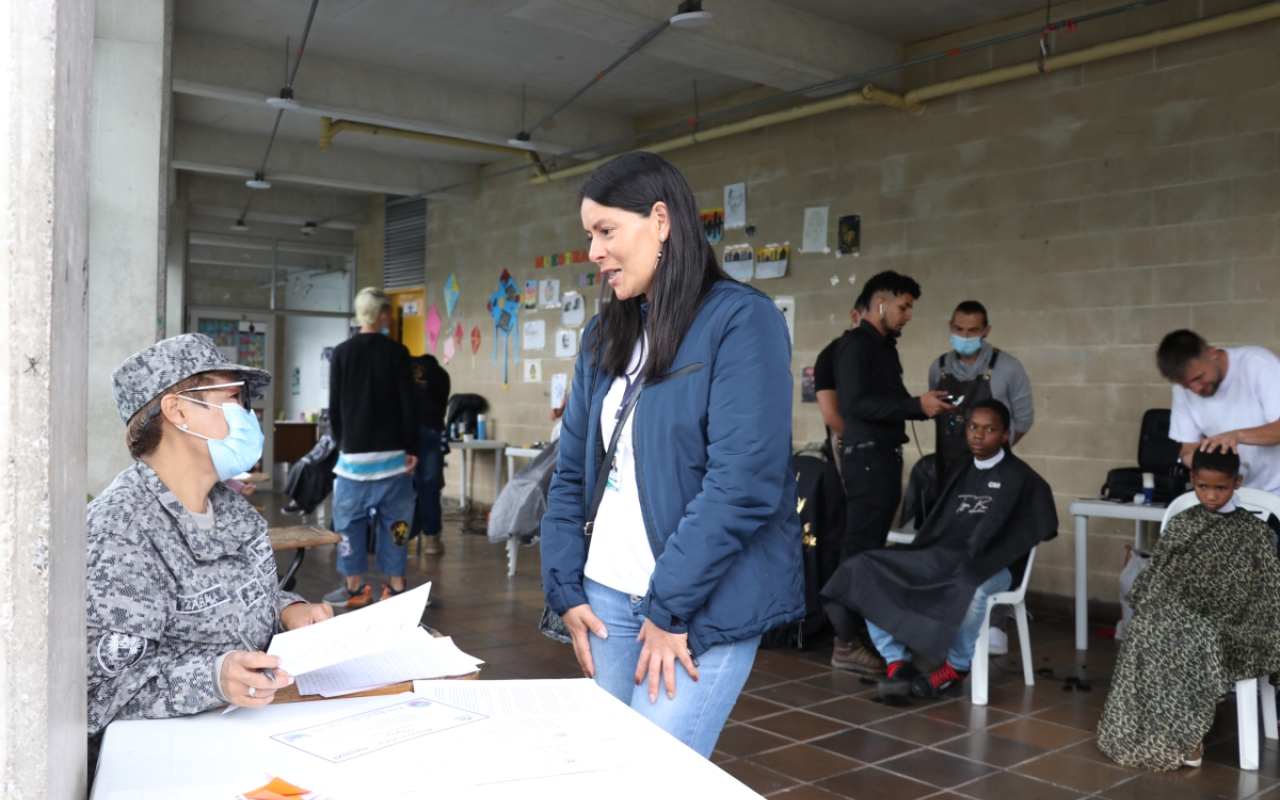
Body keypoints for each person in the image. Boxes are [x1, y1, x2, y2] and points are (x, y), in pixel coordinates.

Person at [541, 151, 803, 758]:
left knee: (652, 780)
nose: (594, 252)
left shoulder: (741, 320)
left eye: (607, 231)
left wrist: (669, 608)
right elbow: (572, 468)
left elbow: (743, 481)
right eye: (589, 236)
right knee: (610, 773)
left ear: (661, 220)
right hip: (605, 599)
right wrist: (565, 588)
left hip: (697, 608)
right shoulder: (605, 334)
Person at [87, 334, 333, 743]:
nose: (247, 416)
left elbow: (235, 600)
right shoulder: (120, 533)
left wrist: (289, 610)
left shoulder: (234, 511)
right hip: (169, 757)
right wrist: (214, 679)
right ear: (177, 409)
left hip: (253, 729)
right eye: (234, 399)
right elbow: (101, 693)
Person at [822, 399, 1058, 703]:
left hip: (996, 566)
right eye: (973, 427)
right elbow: (941, 525)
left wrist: (977, 552)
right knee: (864, 568)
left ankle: (956, 666)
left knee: (970, 586)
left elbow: (1039, 526)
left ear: (1005, 435)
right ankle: (896, 659)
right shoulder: (960, 468)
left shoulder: (1024, 480)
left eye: (989, 429)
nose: (978, 435)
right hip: (944, 556)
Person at [1098, 449, 1280, 771]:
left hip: (1233, 619)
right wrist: (1170, 605)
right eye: (1202, 487)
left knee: (1193, 635)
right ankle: (1147, 731)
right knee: (1147, 626)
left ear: (1237, 482)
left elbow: (1263, 589)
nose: (1211, 496)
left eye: (1221, 488)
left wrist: (1215, 608)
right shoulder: (1183, 522)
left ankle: (1186, 737)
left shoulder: (1253, 531)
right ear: (1192, 481)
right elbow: (1159, 577)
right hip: (1180, 609)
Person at [827, 270, 954, 675]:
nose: (908, 316)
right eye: (904, 307)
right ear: (879, 304)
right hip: (865, 460)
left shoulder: (886, 350)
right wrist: (914, 403)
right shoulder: (852, 347)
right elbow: (857, 406)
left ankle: (863, 636)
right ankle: (843, 643)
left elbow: (897, 402)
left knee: (873, 552)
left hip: (884, 459)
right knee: (858, 551)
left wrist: (926, 404)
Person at [928, 300, 1035, 655]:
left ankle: (995, 626)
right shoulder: (938, 368)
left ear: (986, 330)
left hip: (994, 476)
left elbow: (1024, 417)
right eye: (958, 330)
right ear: (950, 326)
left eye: (973, 331)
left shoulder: (1008, 368)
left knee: (992, 546)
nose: (965, 336)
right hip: (950, 474)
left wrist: (990, 452)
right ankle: (948, 620)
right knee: (949, 544)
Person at [323, 288, 420, 608]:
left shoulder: (341, 353)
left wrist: (344, 444)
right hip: (393, 459)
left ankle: (354, 589)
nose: (390, 317)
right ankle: (395, 587)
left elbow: (334, 408)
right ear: (380, 314)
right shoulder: (397, 353)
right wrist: (412, 448)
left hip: (353, 462)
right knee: (396, 522)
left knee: (349, 524)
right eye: (388, 311)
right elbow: (409, 405)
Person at [1158, 330, 1280, 492]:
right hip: (1234, 494)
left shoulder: (1258, 364)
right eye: (1187, 385)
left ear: (1212, 353)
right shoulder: (1182, 391)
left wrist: (1236, 436)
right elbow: (1187, 449)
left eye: (1198, 378)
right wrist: (1205, 463)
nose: (1195, 389)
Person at [410, 352, 450, 555]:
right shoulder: (441, 374)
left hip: (403, 431)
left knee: (399, 486)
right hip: (431, 430)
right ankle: (432, 541)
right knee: (429, 487)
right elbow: (443, 408)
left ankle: (396, 538)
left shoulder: (404, 364)